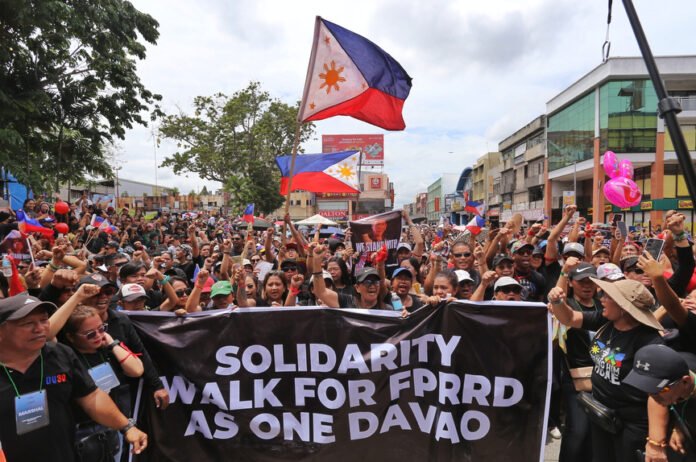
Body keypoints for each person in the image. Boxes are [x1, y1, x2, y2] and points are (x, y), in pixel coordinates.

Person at [0, 294, 147, 461]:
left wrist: (126, 426)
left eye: (44, 320)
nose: (40, 328)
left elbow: (92, 396)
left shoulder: (60, 354)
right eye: (28, 323)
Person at [548, 278, 664, 462]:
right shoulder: (606, 320)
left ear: (624, 307)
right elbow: (569, 317)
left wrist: (656, 443)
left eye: (608, 296)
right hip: (602, 415)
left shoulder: (649, 343)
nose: (601, 298)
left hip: (631, 426)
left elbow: (657, 395)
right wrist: (557, 302)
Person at [62, 305, 144, 461]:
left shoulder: (108, 350)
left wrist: (112, 344)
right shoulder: (67, 358)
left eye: (101, 329)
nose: (98, 336)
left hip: (114, 427)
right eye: (90, 334)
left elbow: (137, 370)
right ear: (71, 337)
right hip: (83, 432)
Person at [624, 344, 696, 462]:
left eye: (658, 389)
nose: (651, 395)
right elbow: (656, 400)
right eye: (648, 388)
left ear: (685, 382)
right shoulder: (676, 375)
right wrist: (657, 442)